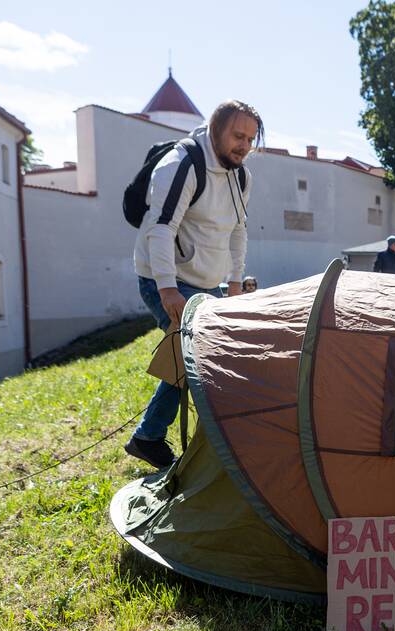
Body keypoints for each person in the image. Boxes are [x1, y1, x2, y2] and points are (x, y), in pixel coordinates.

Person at [126, 99, 262, 470]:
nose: (244, 146)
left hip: (206, 284)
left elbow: (238, 231)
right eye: (237, 136)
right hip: (162, 279)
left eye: (250, 139)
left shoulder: (241, 175)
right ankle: (155, 438)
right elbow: (161, 227)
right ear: (216, 129)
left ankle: (151, 437)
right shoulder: (182, 164)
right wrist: (167, 288)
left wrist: (234, 282)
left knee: (197, 356)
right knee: (195, 354)